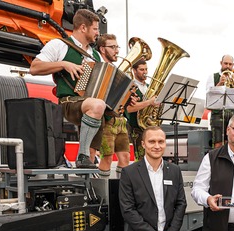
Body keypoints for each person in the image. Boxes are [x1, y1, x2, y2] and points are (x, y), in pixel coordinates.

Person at [29, 9, 106, 168]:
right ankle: (82, 155)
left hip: (91, 105)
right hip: (69, 102)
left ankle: (86, 168)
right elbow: (34, 68)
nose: (98, 33)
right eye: (95, 29)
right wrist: (63, 64)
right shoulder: (59, 45)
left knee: (93, 153)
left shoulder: (96, 55)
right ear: (83, 28)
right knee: (97, 105)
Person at [90, 33, 132, 177]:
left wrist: (128, 97)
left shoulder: (116, 70)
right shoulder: (98, 66)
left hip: (120, 120)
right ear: (102, 49)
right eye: (113, 47)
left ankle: (122, 189)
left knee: (125, 158)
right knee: (107, 158)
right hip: (106, 120)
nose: (117, 51)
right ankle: (104, 188)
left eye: (117, 47)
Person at [125, 59, 160, 160]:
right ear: (134, 71)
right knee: (141, 159)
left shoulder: (150, 87)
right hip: (136, 128)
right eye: (141, 69)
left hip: (150, 128)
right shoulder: (130, 87)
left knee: (153, 157)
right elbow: (128, 109)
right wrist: (149, 102)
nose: (145, 72)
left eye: (146, 69)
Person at [205, 55, 234, 148]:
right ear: (221, 63)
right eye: (226, 63)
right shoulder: (213, 77)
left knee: (232, 142)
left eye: (230, 64)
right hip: (218, 114)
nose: (228, 66)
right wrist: (220, 83)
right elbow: (209, 95)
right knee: (218, 143)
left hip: (232, 113)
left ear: (233, 65)